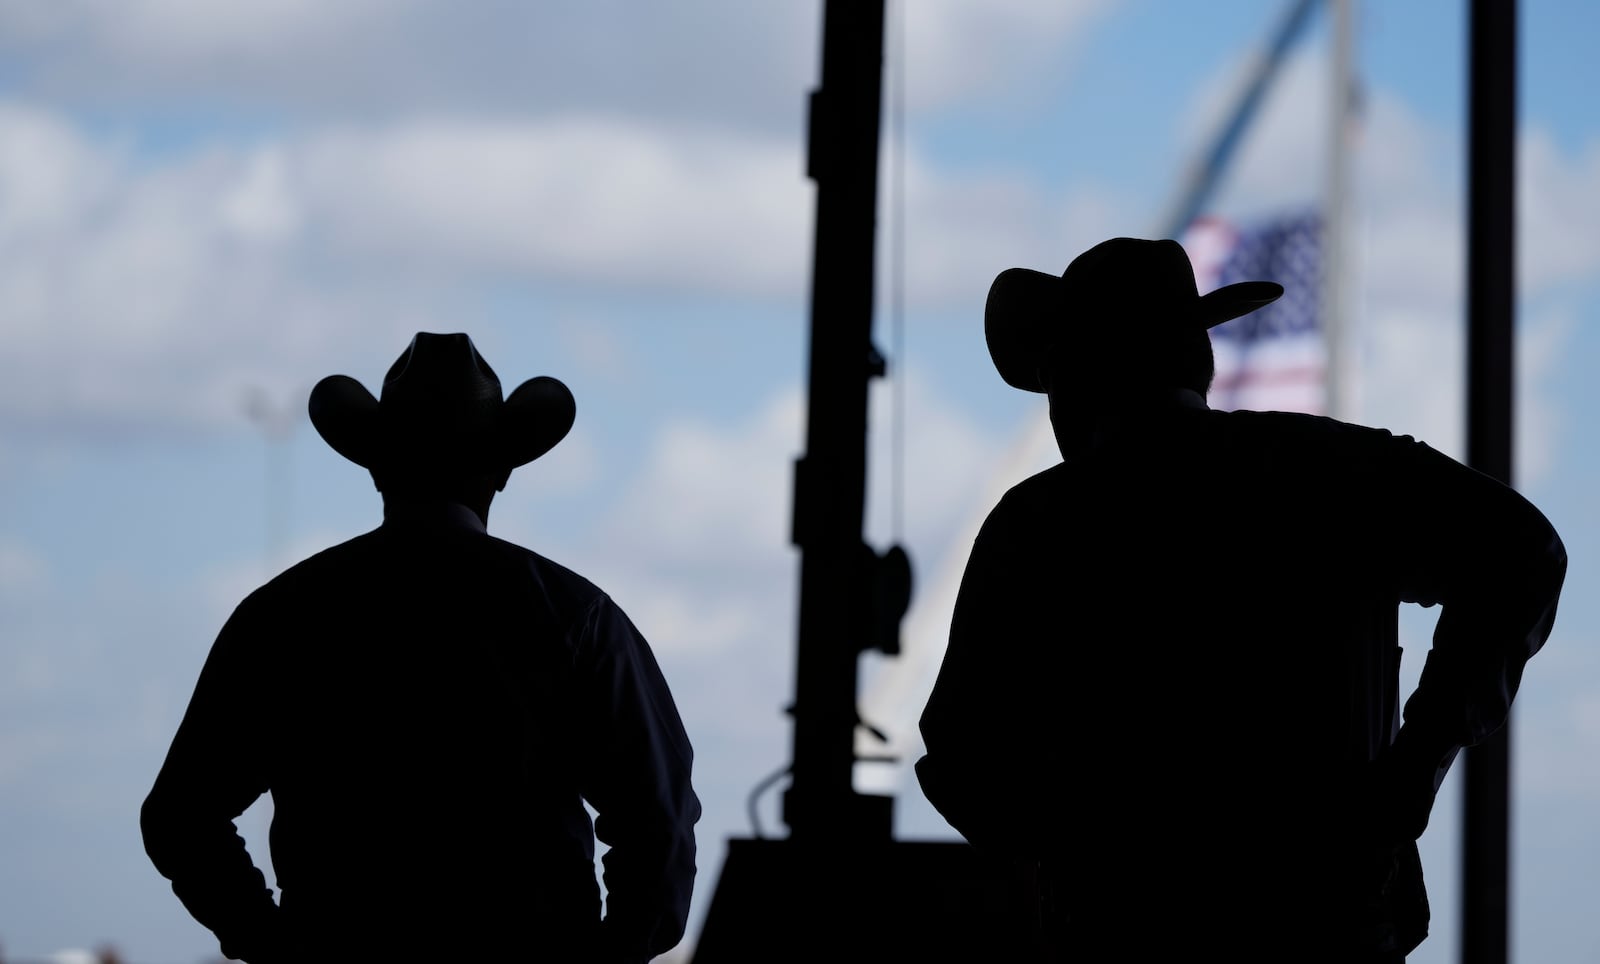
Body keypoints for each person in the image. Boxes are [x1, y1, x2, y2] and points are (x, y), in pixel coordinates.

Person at [914, 239, 1567, 963]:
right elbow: (1524, 554)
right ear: (1199, 360)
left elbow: (962, 762)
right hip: (1334, 935)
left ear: (1075, 377)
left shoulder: (1036, 526)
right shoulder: (1338, 474)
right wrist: (1410, 776)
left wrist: (1095, 846)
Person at [141, 332, 701, 963]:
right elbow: (660, 823)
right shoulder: (578, 618)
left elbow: (179, 818)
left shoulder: (282, 616)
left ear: (377, 469)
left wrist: (270, 944)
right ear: (503, 473)